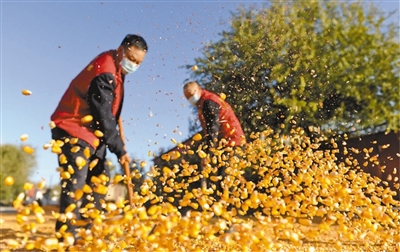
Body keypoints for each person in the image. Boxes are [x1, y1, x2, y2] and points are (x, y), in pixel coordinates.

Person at [50, 34, 148, 244]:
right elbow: (103, 116)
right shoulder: (105, 71)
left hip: (92, 136)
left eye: (139, 63)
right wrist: (120, 150)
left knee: (99, 181)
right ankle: (66, 240)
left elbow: (109, 113)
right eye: (132, 59)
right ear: (122, 50)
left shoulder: (117, 69)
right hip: (72, 126)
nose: (134, 65)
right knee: (75, 184)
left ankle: (88, 234)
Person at [183, 81, 246, 202]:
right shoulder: (202, 104)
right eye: (187, 97)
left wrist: (207, 153)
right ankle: (251, 198)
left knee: (224, 176)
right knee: (232, 175)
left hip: (232, 141)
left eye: (191, 94)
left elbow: (213, 128)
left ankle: (225, 209)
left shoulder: (208, 102)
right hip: (226, 143)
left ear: (199, 89)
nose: (191, 98)